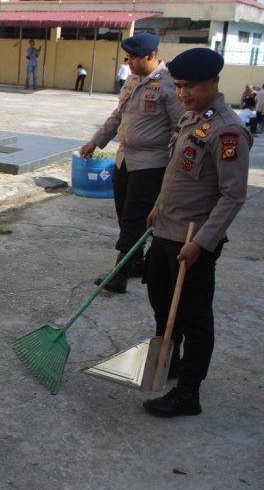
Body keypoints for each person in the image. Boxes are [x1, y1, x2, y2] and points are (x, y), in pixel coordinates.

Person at [142, 48, 250, 418]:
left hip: (192, 239)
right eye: (181, 86)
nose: (185, 93)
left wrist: (202, 243)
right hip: (167, 230)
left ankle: (189, 393)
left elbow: (232, 195)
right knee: (160, 301)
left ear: (214, 83)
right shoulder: (192, 119)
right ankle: (169, 360)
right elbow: (177, 173)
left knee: (193, 315)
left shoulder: (227, 130)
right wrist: (158, 204)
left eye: (193, 86)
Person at [79, 32, 185, 294]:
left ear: (150, 56)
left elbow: (180, 127)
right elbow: (118, 117)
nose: (129, 62)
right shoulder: (132, 81)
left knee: (134, 219)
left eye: (134, 58)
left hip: (151, 164)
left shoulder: (169, 84)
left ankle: (120, 273)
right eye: (128, 57)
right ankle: (136, 262)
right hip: (124, 160)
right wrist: (95, 141)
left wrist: (172, 162)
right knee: (123, 215)